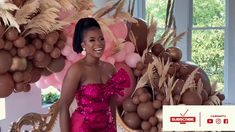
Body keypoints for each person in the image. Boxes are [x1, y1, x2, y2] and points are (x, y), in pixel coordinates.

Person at [59, 17, 130, 132]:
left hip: (107, 127)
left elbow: (112, 105)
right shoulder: (77, 69)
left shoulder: (110, 69)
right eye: (92, 40)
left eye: (101, 38)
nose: (99, 43)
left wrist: (114, 128)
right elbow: (63, 106)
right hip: (83, 128)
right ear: (83, 44)